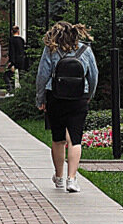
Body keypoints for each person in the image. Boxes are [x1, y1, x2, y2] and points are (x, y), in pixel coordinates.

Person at [35, 21, 98, 193]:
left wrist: (40, 98)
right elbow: (94, 75)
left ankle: (59, 177)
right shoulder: (85, 50)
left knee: (58, 139)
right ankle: (72, 178)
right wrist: (88, 95)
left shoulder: (51, 50)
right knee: (76, 139)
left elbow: (42, 75)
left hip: (55, 97)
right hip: (79, 97)